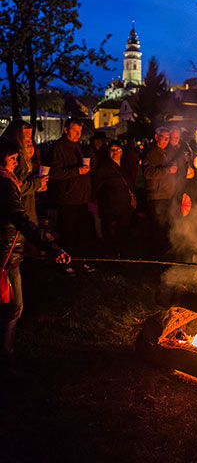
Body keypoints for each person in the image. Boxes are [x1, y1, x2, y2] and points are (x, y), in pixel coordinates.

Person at [0, 138, 70, 373]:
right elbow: (20, 220)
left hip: (7, 251)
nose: (16, 161)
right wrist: (51, 247)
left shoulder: (9, 180)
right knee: (13, 308)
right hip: (5, 255)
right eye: (12, 158)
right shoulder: (4, 183)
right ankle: (6, 356)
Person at [48, 118, 93, 259]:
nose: (77, 134)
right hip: (68, 199)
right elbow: (55, 173)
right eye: (74, 131)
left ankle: (79, 260)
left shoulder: (77, 146)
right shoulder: (59, 147)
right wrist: (77, 171)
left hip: (81, 198)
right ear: (66, 129)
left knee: (81, 232)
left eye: (79, 131)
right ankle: (66, 262)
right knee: (68, 233)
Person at [92, 140, 136, 257]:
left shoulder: (125, 167)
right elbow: (96, 187)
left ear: (121, 152)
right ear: (108, 152)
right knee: (110, 234)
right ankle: (111, 258)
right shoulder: (103, 168)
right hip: (109, 209)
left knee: (122, 233)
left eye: (117, 150)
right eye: (112, 150)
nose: (115, 152)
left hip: (124, 208)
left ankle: (120, 255)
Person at [143, 127, 177, 257]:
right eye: (164, 138)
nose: (167, 141)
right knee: (157, 225)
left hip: (165, 193)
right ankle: (156, 252)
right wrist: (168, 170)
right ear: (157, 137)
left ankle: (164, 249)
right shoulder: (151, 153)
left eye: (168, 138)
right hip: (156, 195)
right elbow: (148, 173)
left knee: (164, 224)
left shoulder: (165, 152)